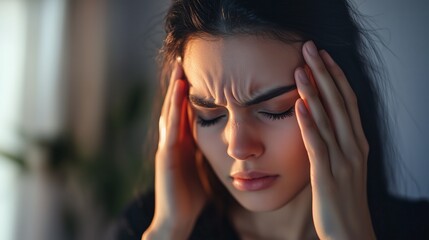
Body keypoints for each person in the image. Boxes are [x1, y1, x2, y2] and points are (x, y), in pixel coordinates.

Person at [113, 0, 429, 239]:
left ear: (340, 97)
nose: (238, 146)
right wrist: (168, 229)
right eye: (209, 115)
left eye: (275, 109)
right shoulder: (146, 227)